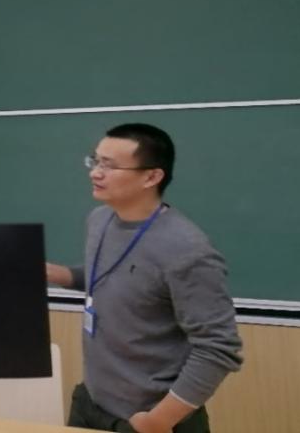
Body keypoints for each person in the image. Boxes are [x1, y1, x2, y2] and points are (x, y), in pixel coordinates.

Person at [47, 123, 242, 433]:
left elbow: (218, 348)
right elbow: (113, 278)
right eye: (95, 161)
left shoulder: (187, 250)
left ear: (151, 177)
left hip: (148, 418)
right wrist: (56, 273)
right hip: (90, 403)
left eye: (109, 166)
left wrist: (158, 420)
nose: (95, 173)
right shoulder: (100, 220)